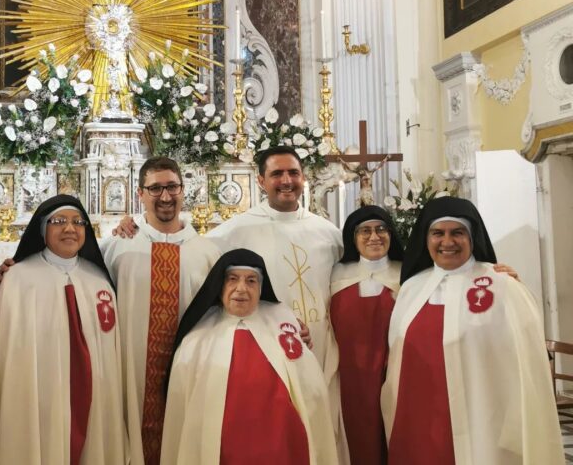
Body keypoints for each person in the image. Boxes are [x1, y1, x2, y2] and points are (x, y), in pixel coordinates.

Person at [381, 196, 564, 464]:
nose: (447, 242)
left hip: (482, 421)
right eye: (437, 233)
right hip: (419, 420)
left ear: (472, 237)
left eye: (458, 232)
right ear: (425, 238)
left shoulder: (501, 284)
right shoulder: (411, 288)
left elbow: (529, 358)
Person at [0, 194, 127, 465]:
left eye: (78, 222)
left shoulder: (99, 280)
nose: (70, 228)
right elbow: (4, 354)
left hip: (93, 397)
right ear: (42, 229)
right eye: (59, 221)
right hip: (37, 395)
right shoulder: (19, 279)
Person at [161, 249, 339, 465]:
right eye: (232, 279)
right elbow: (180, 407)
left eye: (251, 281)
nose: (241, 288)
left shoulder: (282, 320)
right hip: (219, 448)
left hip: (280, 444)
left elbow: (310, 388)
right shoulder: (197, 337)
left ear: (261, 288)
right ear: (220, 286)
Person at [100, 156, 223, 465]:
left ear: (183, 190)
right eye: (155, 189)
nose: (165, 196)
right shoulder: (118, 247)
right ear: (140, 194)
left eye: (172, 187)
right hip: (130, 371)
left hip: (190, 370)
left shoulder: (208, 253)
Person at [205, 147, 343, 412]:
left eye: (293, 173)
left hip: (321, 343)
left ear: (303, 177)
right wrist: (135, 227)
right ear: (261, 181)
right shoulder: (233, 232)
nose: (286, 181)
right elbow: (191, 257)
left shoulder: (328, 233)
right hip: (267, 345)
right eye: (277, 174)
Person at [330, 205, 403, 465]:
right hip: (347, 378)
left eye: (381, 229)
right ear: (353, 237)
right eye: (365, 231)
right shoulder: (336, 275)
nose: (374, 237)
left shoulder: (407, 273)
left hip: (394, 372)